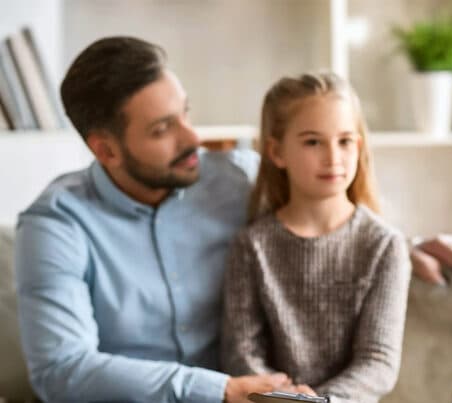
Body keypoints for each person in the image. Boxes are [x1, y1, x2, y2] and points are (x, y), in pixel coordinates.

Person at [14, 37, 292, 402]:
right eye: (162, 129)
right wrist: (216, 391)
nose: (192, 137)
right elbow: (62, 370)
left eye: (186, 113)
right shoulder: (55, 224)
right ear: (106, 149)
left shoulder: (243, 182)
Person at [220, 72, 411, 403]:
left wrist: (317, 402)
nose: (333, 157)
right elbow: (241, 351)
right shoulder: (252, 246)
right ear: (277, 152)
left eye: (345, 141)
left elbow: (378, 362)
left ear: (359, 146)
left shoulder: (383, 246)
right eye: (312, 142)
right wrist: (282, 397)